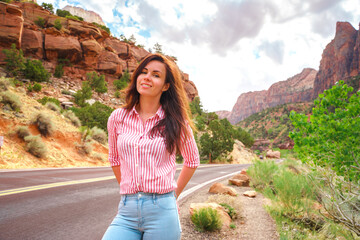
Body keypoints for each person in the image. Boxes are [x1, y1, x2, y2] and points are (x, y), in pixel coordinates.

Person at [102, 53, 200, 240]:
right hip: (127, 211)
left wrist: (173, 196)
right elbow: (114, 159)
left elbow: (192, 160)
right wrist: (129, 187)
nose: (147, 77)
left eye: (156, 75)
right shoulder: (117, 117)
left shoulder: (176, 121)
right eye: (144, 72)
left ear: (165, 86)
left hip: (162, 211)